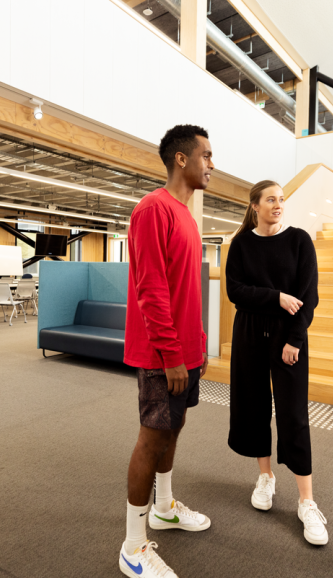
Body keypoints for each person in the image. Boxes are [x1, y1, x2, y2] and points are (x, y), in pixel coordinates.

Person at [120, 124, 212, 578]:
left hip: (186, 352)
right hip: (162, 355)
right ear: (182, 159)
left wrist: (197, 346)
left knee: (173, 430)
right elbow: (151, 288)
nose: (211, 165)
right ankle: (133, 546)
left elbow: (185, 291)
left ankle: (165, 507)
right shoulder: (153, 209)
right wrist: (172, 354)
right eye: (206, 156)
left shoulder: (187, 216)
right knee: (151, 438)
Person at [225, 180, 326, 545]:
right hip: (250, 333)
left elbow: (309, 294)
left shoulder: (299, 240)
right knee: (254, 407)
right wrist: (276, 297)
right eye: (271, 199)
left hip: (288, 335)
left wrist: (295, 339)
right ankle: (265, 477)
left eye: (282, 199)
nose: (278, 204)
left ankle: (307, 500)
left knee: (293, 414)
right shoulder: (241, 244)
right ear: (255, 206)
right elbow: (234, 290)